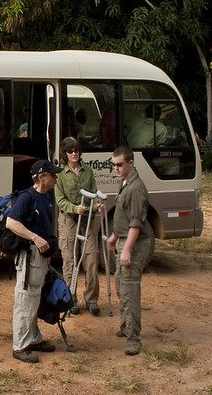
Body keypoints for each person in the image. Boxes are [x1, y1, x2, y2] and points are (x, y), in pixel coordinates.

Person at [6, 159, 63, 363]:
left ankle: (34, 339)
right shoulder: (26, 198)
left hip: (41, 257)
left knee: (35, 298)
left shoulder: (47, 197)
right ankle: (19, 346)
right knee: (25, 299)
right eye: (53, 175)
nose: (56, 178)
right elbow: (11, 222)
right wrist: (35, 238)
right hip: (30, 256)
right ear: (41, 178)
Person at [106, 145, 154, 356]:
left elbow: (136, 224)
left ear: (131, 163)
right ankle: (126, 326)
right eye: (113, 165)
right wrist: (115, 236)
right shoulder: (125, 182)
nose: (116, 168)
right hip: (124, 240)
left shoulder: (135, 189)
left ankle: (134, 339)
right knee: (121, 285)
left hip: (134, 244)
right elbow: (125, 217)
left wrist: (126, 250)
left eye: (119, 165)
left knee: (129, 291)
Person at [55, 137, 102, 316]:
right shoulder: (60, 174)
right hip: (68, 219)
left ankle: (92, 299)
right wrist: (75, 208)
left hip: (87, 219)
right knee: (69, 260)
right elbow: (60, 201)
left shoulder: (88, 171)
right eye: (70, 151)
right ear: (65, 154)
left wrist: (97, 204)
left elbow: (94, 192)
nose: (74, 153)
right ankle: (71, 299)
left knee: (91, 259)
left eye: (76, 150)